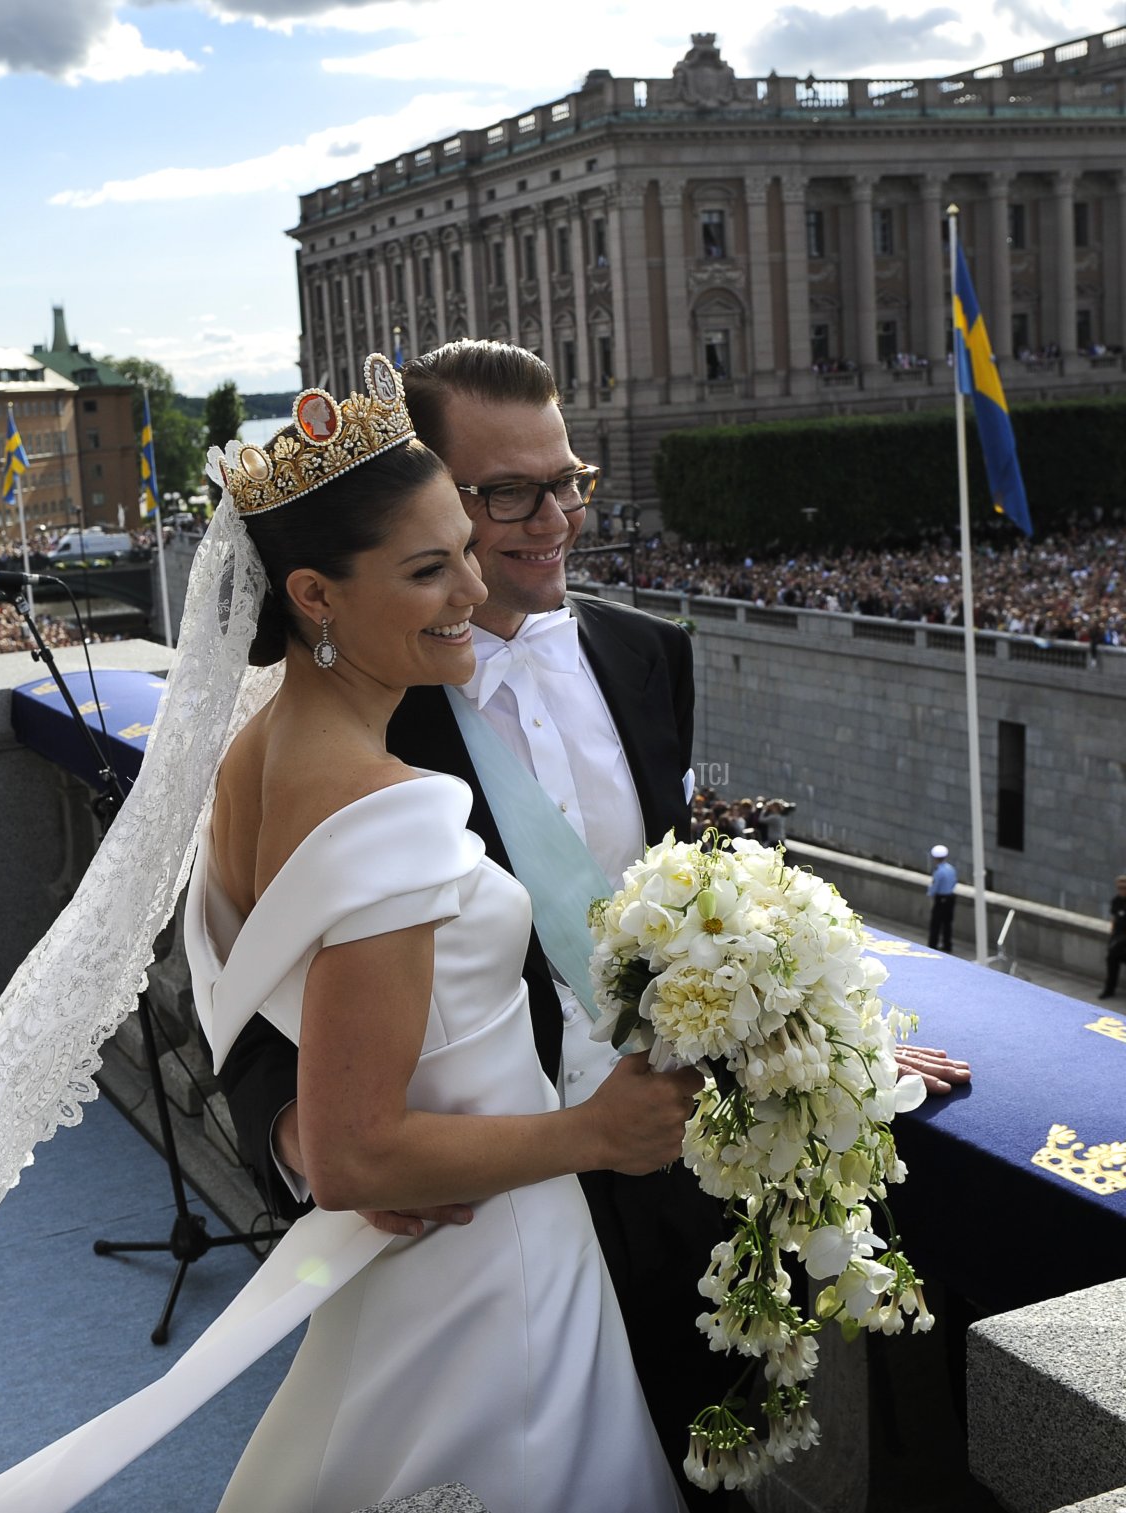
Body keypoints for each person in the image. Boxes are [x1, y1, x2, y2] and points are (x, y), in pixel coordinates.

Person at [0, 357, 699, 1512]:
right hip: (495, 1227)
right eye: (457, 542)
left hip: (607, 1204)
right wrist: (580, 1134)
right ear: (316, 592)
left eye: (569, 482)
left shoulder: (263, 750)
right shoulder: (387, 791)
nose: (486, 574)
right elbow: (323, 1108)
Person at [217, 339, 972, 1486]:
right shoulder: (351, 716)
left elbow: (684, 913)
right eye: (502, 495)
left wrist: (830, 1042)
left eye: (566, 480)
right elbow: (247, 963)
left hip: (674, 1178)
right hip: (478, 1201)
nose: (548, 519)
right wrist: (300, 1147)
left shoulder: (645, 653)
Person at [1097, 873, 1126, 999]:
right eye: (1120, 888)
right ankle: (1109, 989)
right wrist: (1113, 937)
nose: (1122, 890)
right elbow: (1114, 919)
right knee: (1111, 962)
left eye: (1124, 888)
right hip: (1118, 939)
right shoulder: (1116, 901)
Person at [927, 843, 959, 952]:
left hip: (940, 899)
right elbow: (954, 882)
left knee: (935, 924)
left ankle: (932, 945)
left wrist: (930, 895)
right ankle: (947, 945)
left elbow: (934, 887)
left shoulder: (938, 872)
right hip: (950, 898)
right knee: (947, 923)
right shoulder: (951, 869)